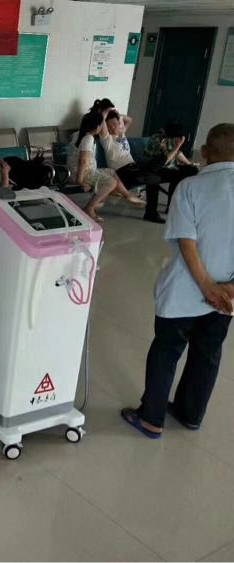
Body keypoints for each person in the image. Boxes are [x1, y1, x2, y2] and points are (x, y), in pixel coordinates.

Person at [121, 123, 234, 438]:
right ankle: (190, 414)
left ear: (205, 152)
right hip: (226, 299)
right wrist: (226, 289)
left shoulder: (191, 187)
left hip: (186, 292)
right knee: (207, 353)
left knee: (167, 350)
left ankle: (151, 418)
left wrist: (206, 287)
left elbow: (187, 244)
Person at [68, 112, 144, 222]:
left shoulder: (84, 136)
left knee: (111, 172)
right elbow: (83, 161)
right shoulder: (88, 138)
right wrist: (79, 181)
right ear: (98, 126)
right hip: (83, 173)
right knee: (111, 182)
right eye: (102, 124)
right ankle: (89, 208)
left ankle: (126, 195)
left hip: (87, 171)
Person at [99, 110, 165, 224]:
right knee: (154, 177)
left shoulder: (122, 133)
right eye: (110, 125)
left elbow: (129, 120)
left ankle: (156, 166)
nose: (113, 127)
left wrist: (117, 114)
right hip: (122, 172)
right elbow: (101, 119)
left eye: (115, 124)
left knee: (154, 175)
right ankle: (151, 213)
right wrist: (108, 111)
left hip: (134, 168)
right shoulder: (106, 139)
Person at [145, 120, 199, 213]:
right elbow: (164, 161)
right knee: (176, 177)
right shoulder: (158, 139)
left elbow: (177, 153)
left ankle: (173, 206)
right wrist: (178, 146)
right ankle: (162, 209)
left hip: (170, 168)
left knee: (192, 170)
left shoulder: (171, 138)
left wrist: (189, 163)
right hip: (157, 169)